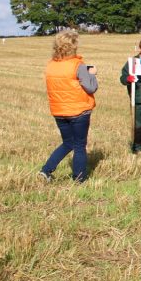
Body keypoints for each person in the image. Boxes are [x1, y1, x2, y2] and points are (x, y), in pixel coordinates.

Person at [40, 29, 98, 183]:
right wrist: (91, 74)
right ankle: (79, 178)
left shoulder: (51, 65)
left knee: (68, 143)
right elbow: (91, 88)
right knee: (79, 145)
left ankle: (46, 170)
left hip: (59, 111)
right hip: (78, 111)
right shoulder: (77, 65)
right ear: (73, 46)